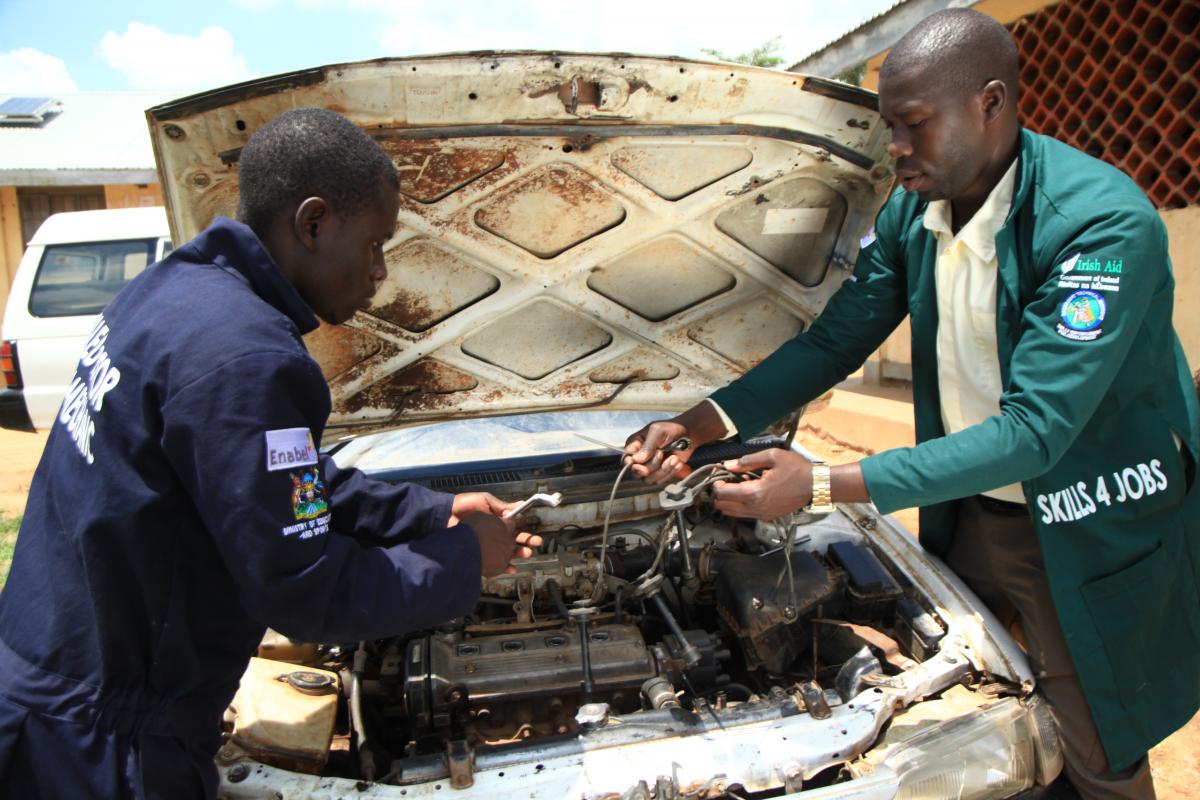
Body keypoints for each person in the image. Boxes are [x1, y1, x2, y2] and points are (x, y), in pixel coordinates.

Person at [625, 9, 1198, 799]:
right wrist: (696, 422)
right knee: (991, 719)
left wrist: (821, 484)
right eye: (890, 125)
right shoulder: (914, 211)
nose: (894, 148)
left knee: (1097, 744)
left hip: (1078, 524)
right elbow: (834, 344)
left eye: (914, 124)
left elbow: (1036, 432)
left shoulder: (1098, 226)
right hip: (967, 513)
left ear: (990, 103)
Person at [0, 108, 539, 799]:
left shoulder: (171, 294)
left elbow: (283, 484)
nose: (380, 272)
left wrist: (429, 510)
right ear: (313, 223)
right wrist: (468, 558)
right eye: (375, 243)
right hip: (104, 742)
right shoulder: (247, 359)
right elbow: (308, 593)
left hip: (55, 670)